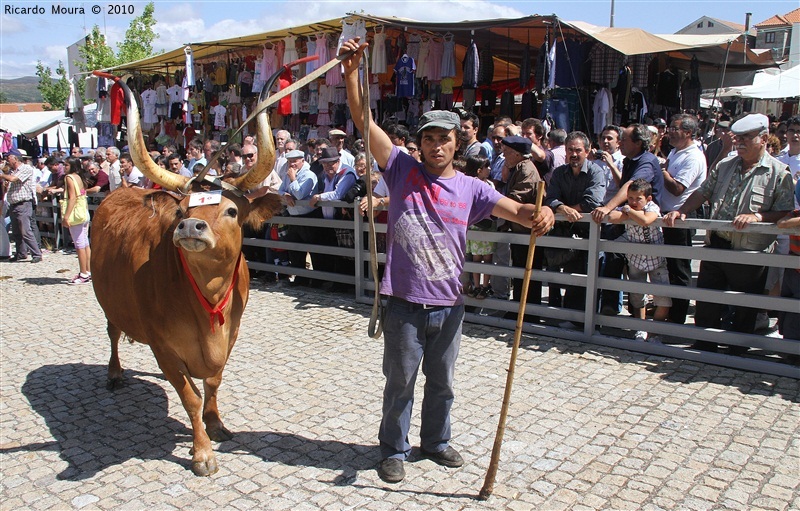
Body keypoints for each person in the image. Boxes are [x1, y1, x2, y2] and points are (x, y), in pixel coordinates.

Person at [340, 38, 554, 485]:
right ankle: (393, 449)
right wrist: (352, 71)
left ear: (458, 142)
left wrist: (543, 213)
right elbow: (363, 119)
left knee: (443, 383)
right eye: (430, 139)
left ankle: (434, 443)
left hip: (450, 304)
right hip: (403, 302)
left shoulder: (474, 188)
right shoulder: (400, 169)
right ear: (419, 143)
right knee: (400, 383)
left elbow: (518, 213)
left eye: (445, 139)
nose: (437, 146)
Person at [663, 113, 794, 352]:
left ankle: (738, 351)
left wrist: (758, 217)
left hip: (750, 250)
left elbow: (784, 211)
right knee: (708, 300)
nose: (740, 142)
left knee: (745, 306)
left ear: (763, 139)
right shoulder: (725, 166)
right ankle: (705, 345)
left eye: (747, 137)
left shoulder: (778, 173)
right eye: (738, 137)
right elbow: (704, 192)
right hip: (718, 244)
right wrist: (681, 211)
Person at [591, 124, 664, 315]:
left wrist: (608, 207)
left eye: (624, 139)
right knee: (617, 260)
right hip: (629, 222)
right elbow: (623, 183)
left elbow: (631, 186)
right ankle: (613, 309)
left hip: (646, 227)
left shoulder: (646, 161)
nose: (620, 142)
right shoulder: (630, 160)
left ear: (638, 143)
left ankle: (650, 327)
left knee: (654, 279)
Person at [543, 131, 606, 318]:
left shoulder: (596, 172)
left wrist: (568, 209)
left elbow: (593, 201)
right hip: (563, 233)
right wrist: (563, 209)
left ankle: (585, 320)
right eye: (570, 150)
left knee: (585, 276)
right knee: (558, 272)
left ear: (587, 151)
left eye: (578, 150)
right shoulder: (559, 172)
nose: (574, 154)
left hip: (589, 233)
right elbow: (551, 198)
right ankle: (561, 315)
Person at [605, 179, 671, 341]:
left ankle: (655, 331)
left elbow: (646, 220)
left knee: (663, 298)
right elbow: (612, 216)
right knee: (636, 295)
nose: (633, 202)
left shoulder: (652, 207)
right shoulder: (627, 208)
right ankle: (641, 328)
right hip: (636, 259)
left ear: (648, 199)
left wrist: (628, 212)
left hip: (656, 259)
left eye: (638, 199)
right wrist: (626, 212)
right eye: (630, 198)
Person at [660, 114, 706, 324]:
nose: (670, 131)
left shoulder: (693, 157)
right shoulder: (675, 151)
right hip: (666, 217)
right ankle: (667, 310)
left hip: (681, 218)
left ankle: (678, 318)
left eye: (675, 128)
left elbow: (678, 188)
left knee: (679, 269)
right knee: (668, 267)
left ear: (688, 132)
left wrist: (663, 172)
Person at [501, 135, 543, 317]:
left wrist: (497, 205)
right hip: (519, 230)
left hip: (527, 230)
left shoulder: (526, 170)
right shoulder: (518, 168)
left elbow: (516, 198)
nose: (504, 156)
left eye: (507, 153)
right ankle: (518, 308)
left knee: (528, 272)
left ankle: (528, 311)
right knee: (519, 270)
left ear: (517, 154)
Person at [277, 149, 319, 286]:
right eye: (290, 161)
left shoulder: (309, 175)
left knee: (313, 250)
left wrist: (293, 179)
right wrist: (286, 195)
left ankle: (318, 279)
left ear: (302, 160)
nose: (292, 164)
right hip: (293, 217)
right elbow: (280, 190)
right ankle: (300, 278)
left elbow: (300, 194)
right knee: (295, 249)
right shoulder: (287, 175)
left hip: (308, 217)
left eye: (295, 161)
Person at [462, 155, 496, 299]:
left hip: (485, 226)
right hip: (477, 226)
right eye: (486, 167)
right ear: (478, 170)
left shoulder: (489, 184)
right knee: (479, 257)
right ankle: (478, 286)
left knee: (484, 257)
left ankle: (484, 286)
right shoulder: (472, 184)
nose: (489, 169)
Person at [1, 148, 43, 262]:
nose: (6, 160)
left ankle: (36, 254)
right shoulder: (11, 171)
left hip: (24, 203)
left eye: (8, 157)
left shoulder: (25, 168)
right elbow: (9, 183)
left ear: (15, 158)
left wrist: (2, 175)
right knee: (16, 232)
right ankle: (21, 253)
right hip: (14, 203)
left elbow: (14, 179)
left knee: (26, 230)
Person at [60, 157, 92, 284]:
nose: (65, 167)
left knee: (79, 245)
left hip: (76, 214)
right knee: (85, 244)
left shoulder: (69, 178)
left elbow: (72, 198)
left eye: (66, 165)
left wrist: (66, 216)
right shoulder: (79, 177)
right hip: (83, 211)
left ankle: (83, 273)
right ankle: (88, 271)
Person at [776, 185, 800, 342]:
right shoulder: (795, 214)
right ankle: (789, 346)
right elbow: (782, 223)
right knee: (788, 305)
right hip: (794, 269)